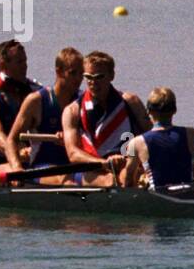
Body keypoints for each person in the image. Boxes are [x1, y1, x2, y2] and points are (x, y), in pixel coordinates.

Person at [62, 50, 151, 186]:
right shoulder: (72, 111)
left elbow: (150, 138)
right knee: (112, 180)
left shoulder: (131, 102)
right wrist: (104, 163)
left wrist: (130, 159)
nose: (93, 82)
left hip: (128, 164)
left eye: (99, 77)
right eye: (88, 77)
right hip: (92, 168)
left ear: (112, 75)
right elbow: (73, 154)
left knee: (129, 176)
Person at [4, 47, 84, 182]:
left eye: (81, 74)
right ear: (59, 72)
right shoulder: (36, 101)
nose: (78, 79)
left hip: (74, 167)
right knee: (65, 180)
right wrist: (17, 168)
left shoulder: (83, 100)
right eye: (73, 73)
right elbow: (11, 140)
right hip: (42, 168)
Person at [0, 40, 40, 169]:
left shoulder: (36, 91)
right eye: (19, 62)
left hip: (29, 159)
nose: (25, 66)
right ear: (2, 65)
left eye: (25, 61)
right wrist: (16, 152)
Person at [123, 87, 194, 189]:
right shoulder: (191, 134)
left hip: (158, 197)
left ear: (148, 111)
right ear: (175, 110)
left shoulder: (136, 142)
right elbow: (193, 171)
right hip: (187, 192)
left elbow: (128, 181)